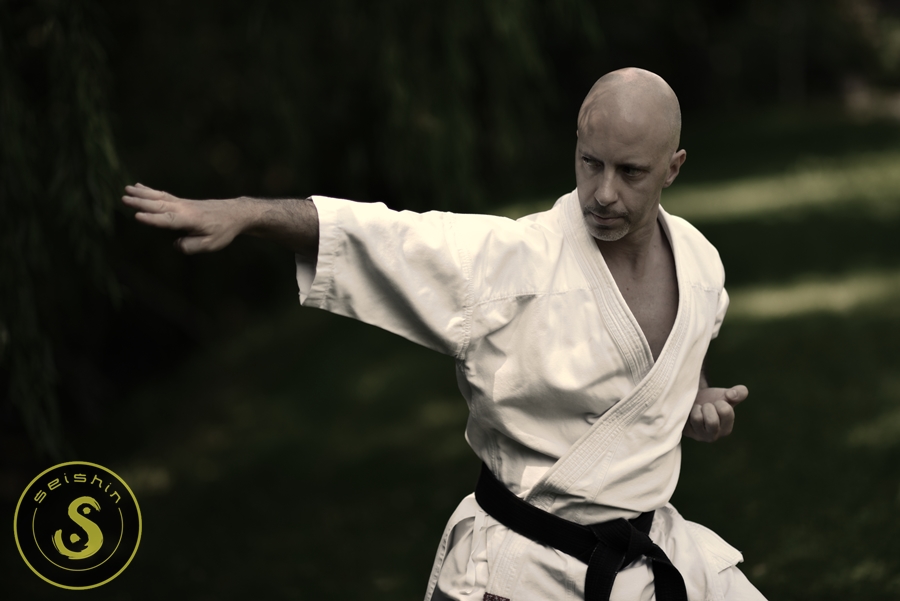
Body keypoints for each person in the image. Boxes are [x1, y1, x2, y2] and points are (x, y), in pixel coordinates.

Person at [122, 67, 765, 600]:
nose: (602, 192)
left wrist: (695, 395)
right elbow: (389, 237)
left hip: (649, 559)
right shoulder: (515, 262)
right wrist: (249, 212)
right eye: (589, 162)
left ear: (673, 167)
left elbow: (685, 346)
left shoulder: (700, 262)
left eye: (630, 172)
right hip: (526, 569)